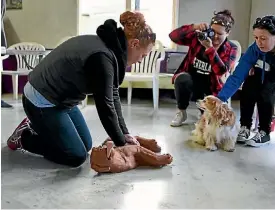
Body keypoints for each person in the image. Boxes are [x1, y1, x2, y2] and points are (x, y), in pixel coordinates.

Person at [6, 11, 156, 167]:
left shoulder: (112, 50)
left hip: (63, 100)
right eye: (143, 56)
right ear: (134, 44)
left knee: (86, 145)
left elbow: (113, 94)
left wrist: (124, 134)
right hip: (41, 100)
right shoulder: (102, 57)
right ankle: (24, 137)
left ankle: (41, 126)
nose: (140, 61)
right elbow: (105, 105)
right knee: (75, 156)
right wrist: (122, 144)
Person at [169, 10, 238, 127]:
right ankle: (181, 111)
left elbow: (221, 71)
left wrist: (210, 49)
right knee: (181, 79)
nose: (215, 37)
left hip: (212, 85)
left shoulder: (231, 48)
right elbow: (173, 36)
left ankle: (203, 114)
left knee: (208, 122)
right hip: (192, 78)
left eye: (220, 34)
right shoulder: (198, 38)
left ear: (228, 33)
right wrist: (193, 27)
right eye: (213, 32)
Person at [217, 15, 275, 147]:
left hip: (271, 81)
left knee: (266, 90)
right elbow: (237, 76)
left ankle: (264, 132)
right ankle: (245, 127)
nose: (259, 42)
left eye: (263, 38)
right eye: (256, 38)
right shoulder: (255, 49)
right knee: (249, 84)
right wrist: (221, 98)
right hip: (262, 74)